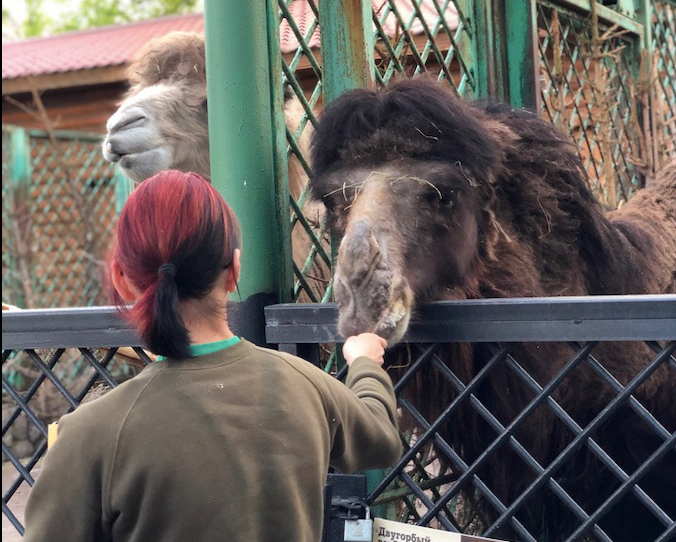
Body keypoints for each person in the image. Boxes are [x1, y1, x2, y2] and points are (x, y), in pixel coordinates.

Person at [23, 170, 401, 542]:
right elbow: (381, 437)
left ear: (121, 279)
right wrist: (364, 363)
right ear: (234, 271)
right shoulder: (306, 387)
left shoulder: (91, 435)